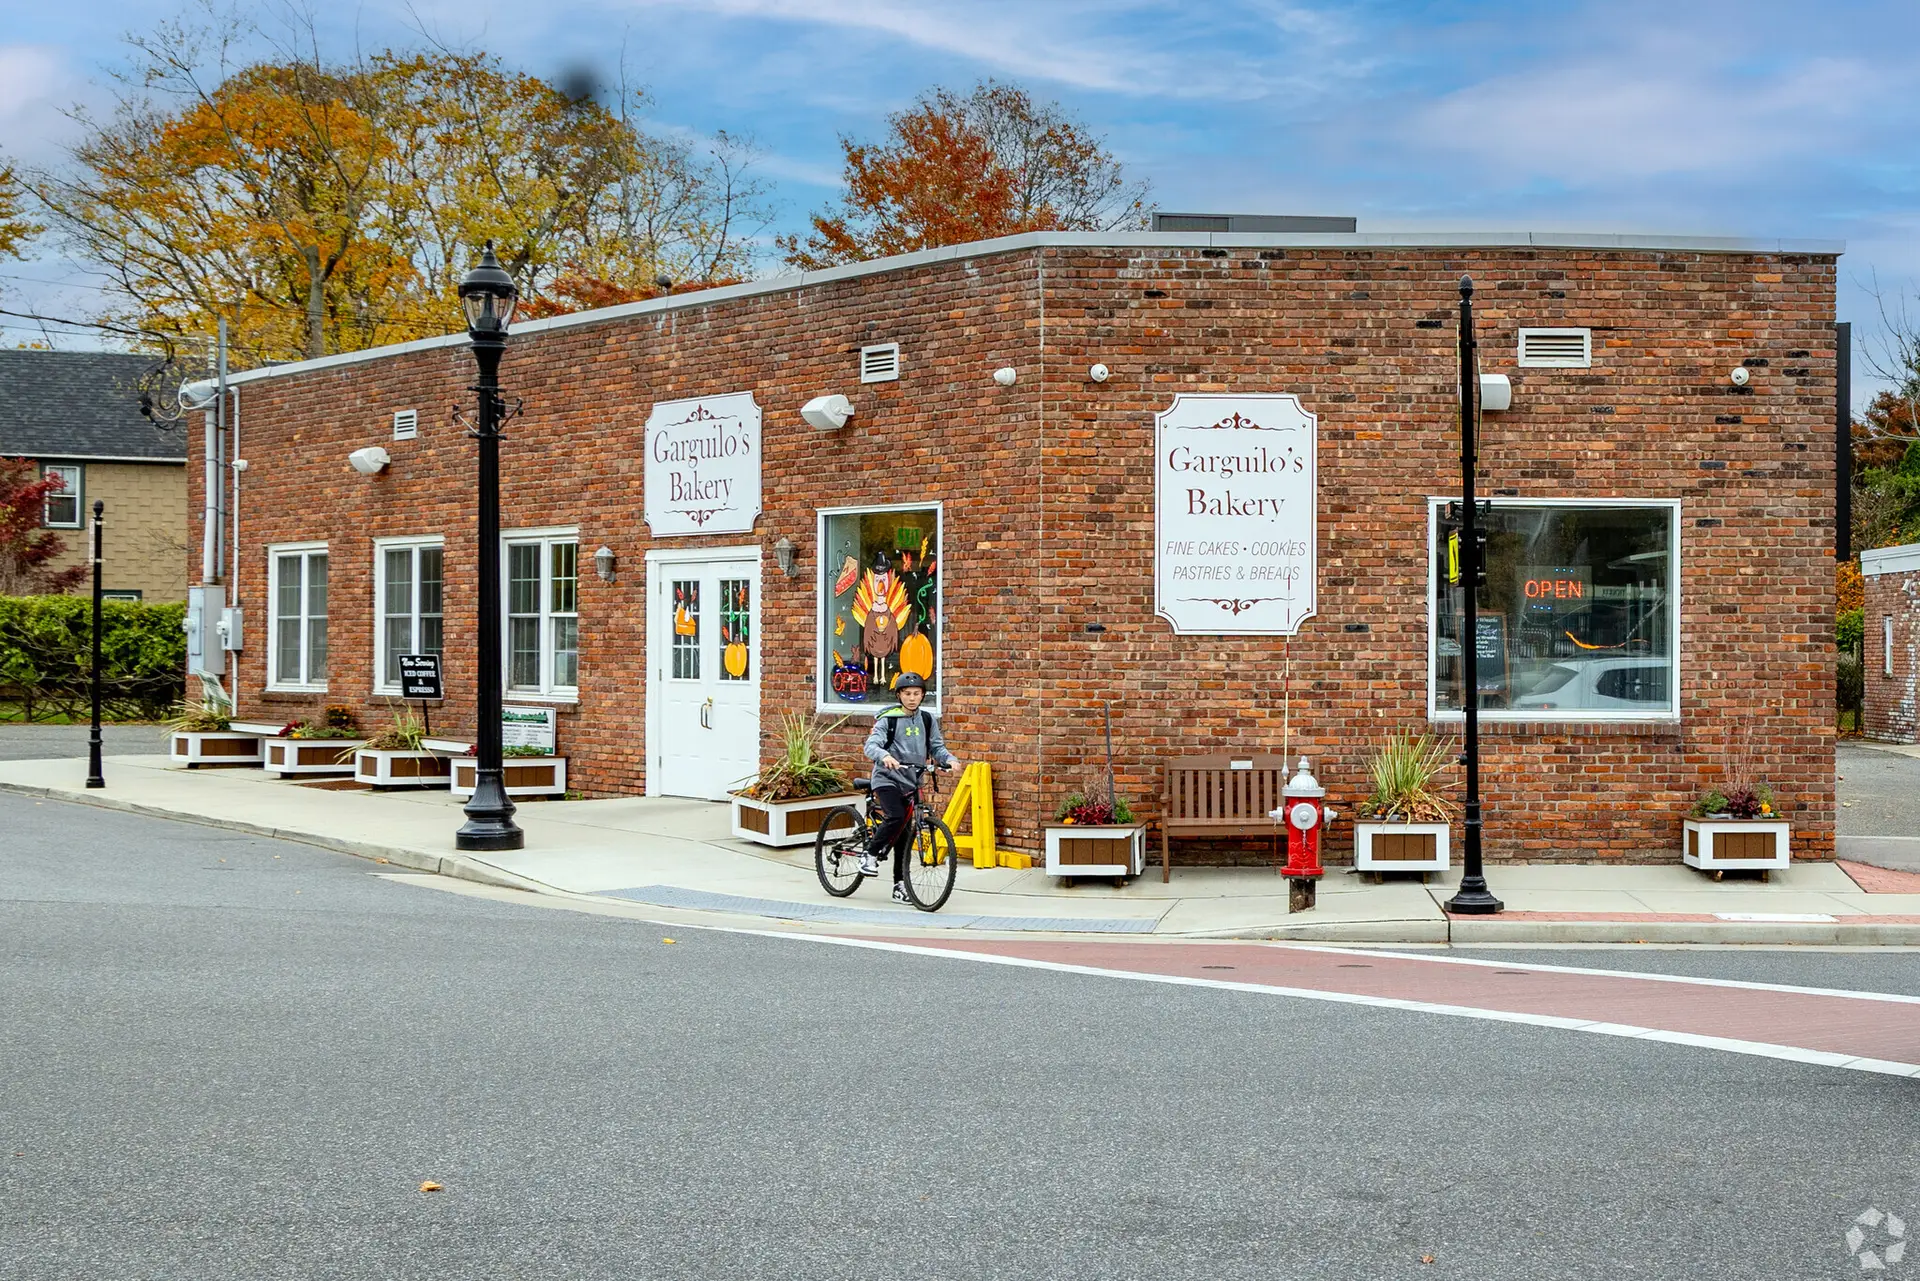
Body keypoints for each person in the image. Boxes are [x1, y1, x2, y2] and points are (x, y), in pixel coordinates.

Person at [859, 673, 960, 902]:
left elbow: (936, 747)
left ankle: (899, 886)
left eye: (917, 694)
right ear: (899, 695)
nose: (912, 698)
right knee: (895, 816)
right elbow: (871, 745)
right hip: (887, 779)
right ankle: (869, 854)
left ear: (923, 695)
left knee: (904, 836)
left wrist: (950, 760)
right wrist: (884, 756)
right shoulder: (889, 719)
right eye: (907, 694)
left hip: (912, 781)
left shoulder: (926, 719)